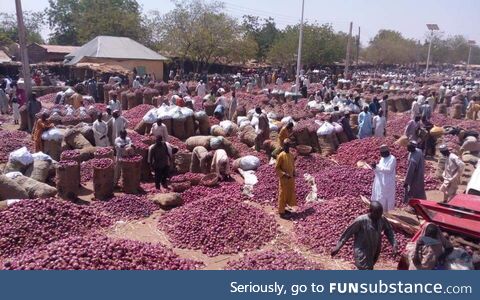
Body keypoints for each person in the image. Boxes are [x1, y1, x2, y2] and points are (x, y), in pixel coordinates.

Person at [331, 201, 397, 270]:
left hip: (374, 251)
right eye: (377, 213)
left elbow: (389, 230)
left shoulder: (381, 219)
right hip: (362, 251)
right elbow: (347, 233)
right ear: (370, 211)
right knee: (364, 268)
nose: (379, 216)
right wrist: (338, 247)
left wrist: (394, 244)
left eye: (380, 214)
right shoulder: (361, 221)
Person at [275, 139, 297, 219]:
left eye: (288, 145)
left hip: (291, 179)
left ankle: (285, 208)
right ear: (284, 146)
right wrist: (284, 174)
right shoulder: (281, 155)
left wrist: (294, 172)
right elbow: (277, 168)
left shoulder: (291, 155)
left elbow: (293, 165)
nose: (287, 147)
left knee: (289, 193)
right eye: (286, 145)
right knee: (283, 194)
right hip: (284, 179)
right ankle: (281, 212)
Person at [371, 145, 397, 213]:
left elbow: (389, 170)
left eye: (382, 153)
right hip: (381, 183)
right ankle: (382, 213)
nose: (381, 154)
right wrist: (374, 167)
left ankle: (389, 214)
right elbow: (379, 167)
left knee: (388, 200)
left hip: (388, 183)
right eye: (381, 153)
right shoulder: (382, 158)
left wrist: (377, 167)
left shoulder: (392, 159)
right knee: (381, 198)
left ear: (387, 152)